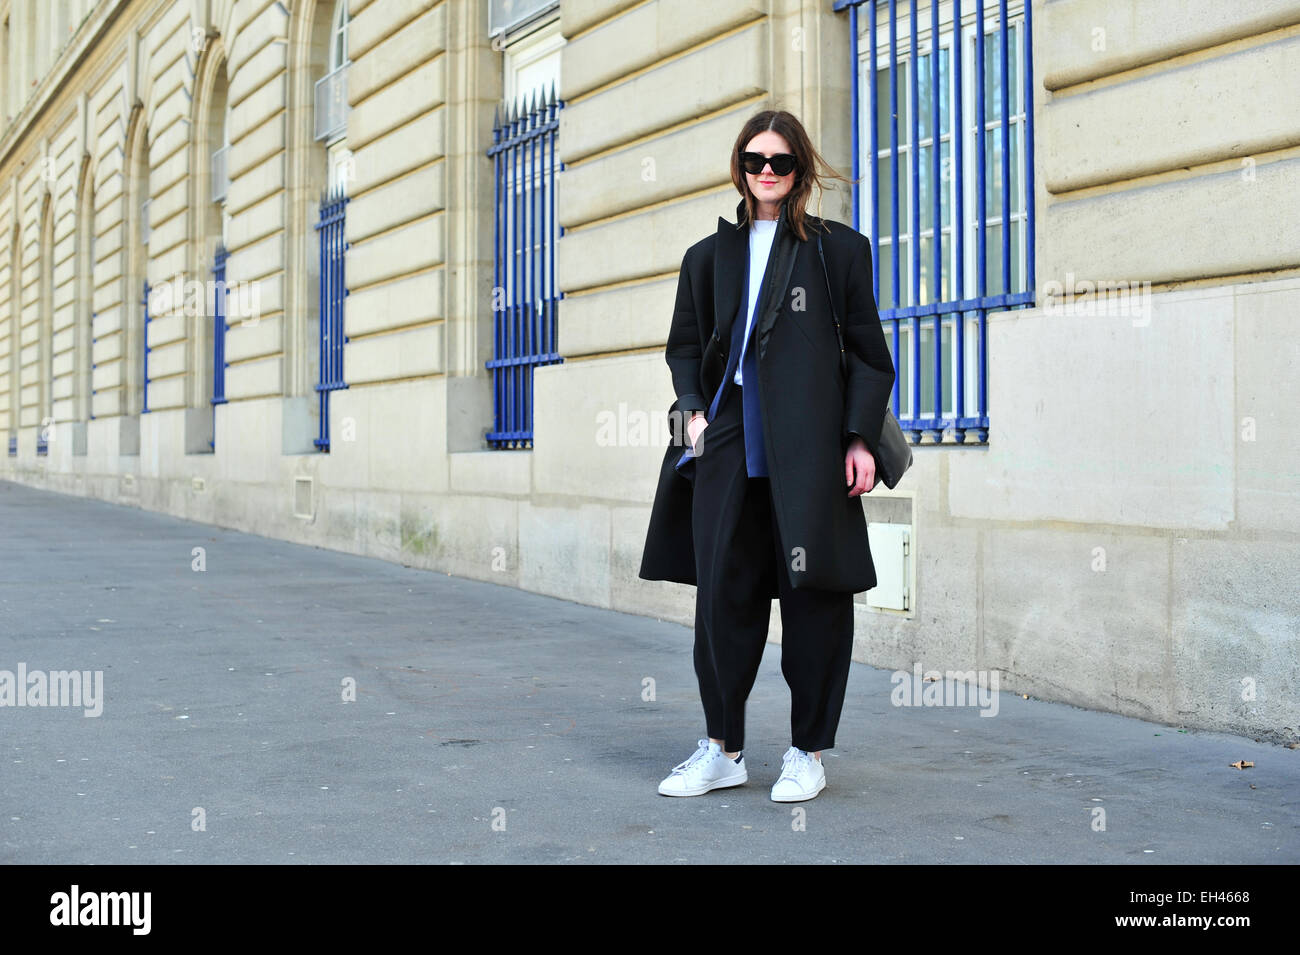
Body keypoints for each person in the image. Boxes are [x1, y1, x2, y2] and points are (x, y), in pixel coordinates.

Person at [638, 109, 896, 802]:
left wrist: (859, 438)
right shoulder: (707, 257)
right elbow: (685, 345)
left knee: (814, 599)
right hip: (726, 443)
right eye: (755, 159)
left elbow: (871, 357)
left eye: (781, 161)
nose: (767, 172)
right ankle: (722, 748)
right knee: (723, 599)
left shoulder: (839, 250)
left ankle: (807, 751)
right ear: (740, 166)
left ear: (800, 169)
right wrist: (692, 414)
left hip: (810, 444)